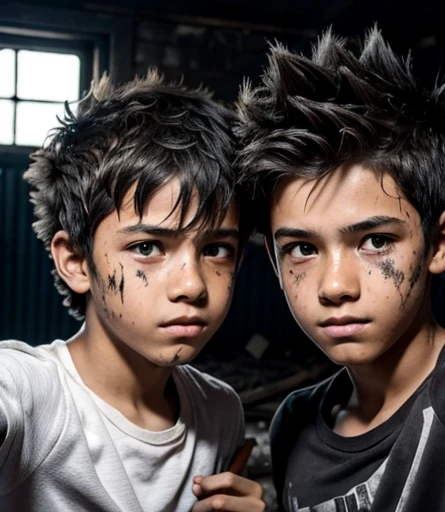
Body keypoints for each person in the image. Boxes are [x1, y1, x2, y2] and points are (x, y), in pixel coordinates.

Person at [235, 26, 445, 511]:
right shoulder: (294, 422)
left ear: (440, 242)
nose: (335, 286)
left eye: (376, 241)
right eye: (301, 249)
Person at [0, 70, 264, 512]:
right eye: (147, 247)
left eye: (216, 249)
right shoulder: (32, 397)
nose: (192, 285)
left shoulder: (220, 412)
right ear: (76, 261)